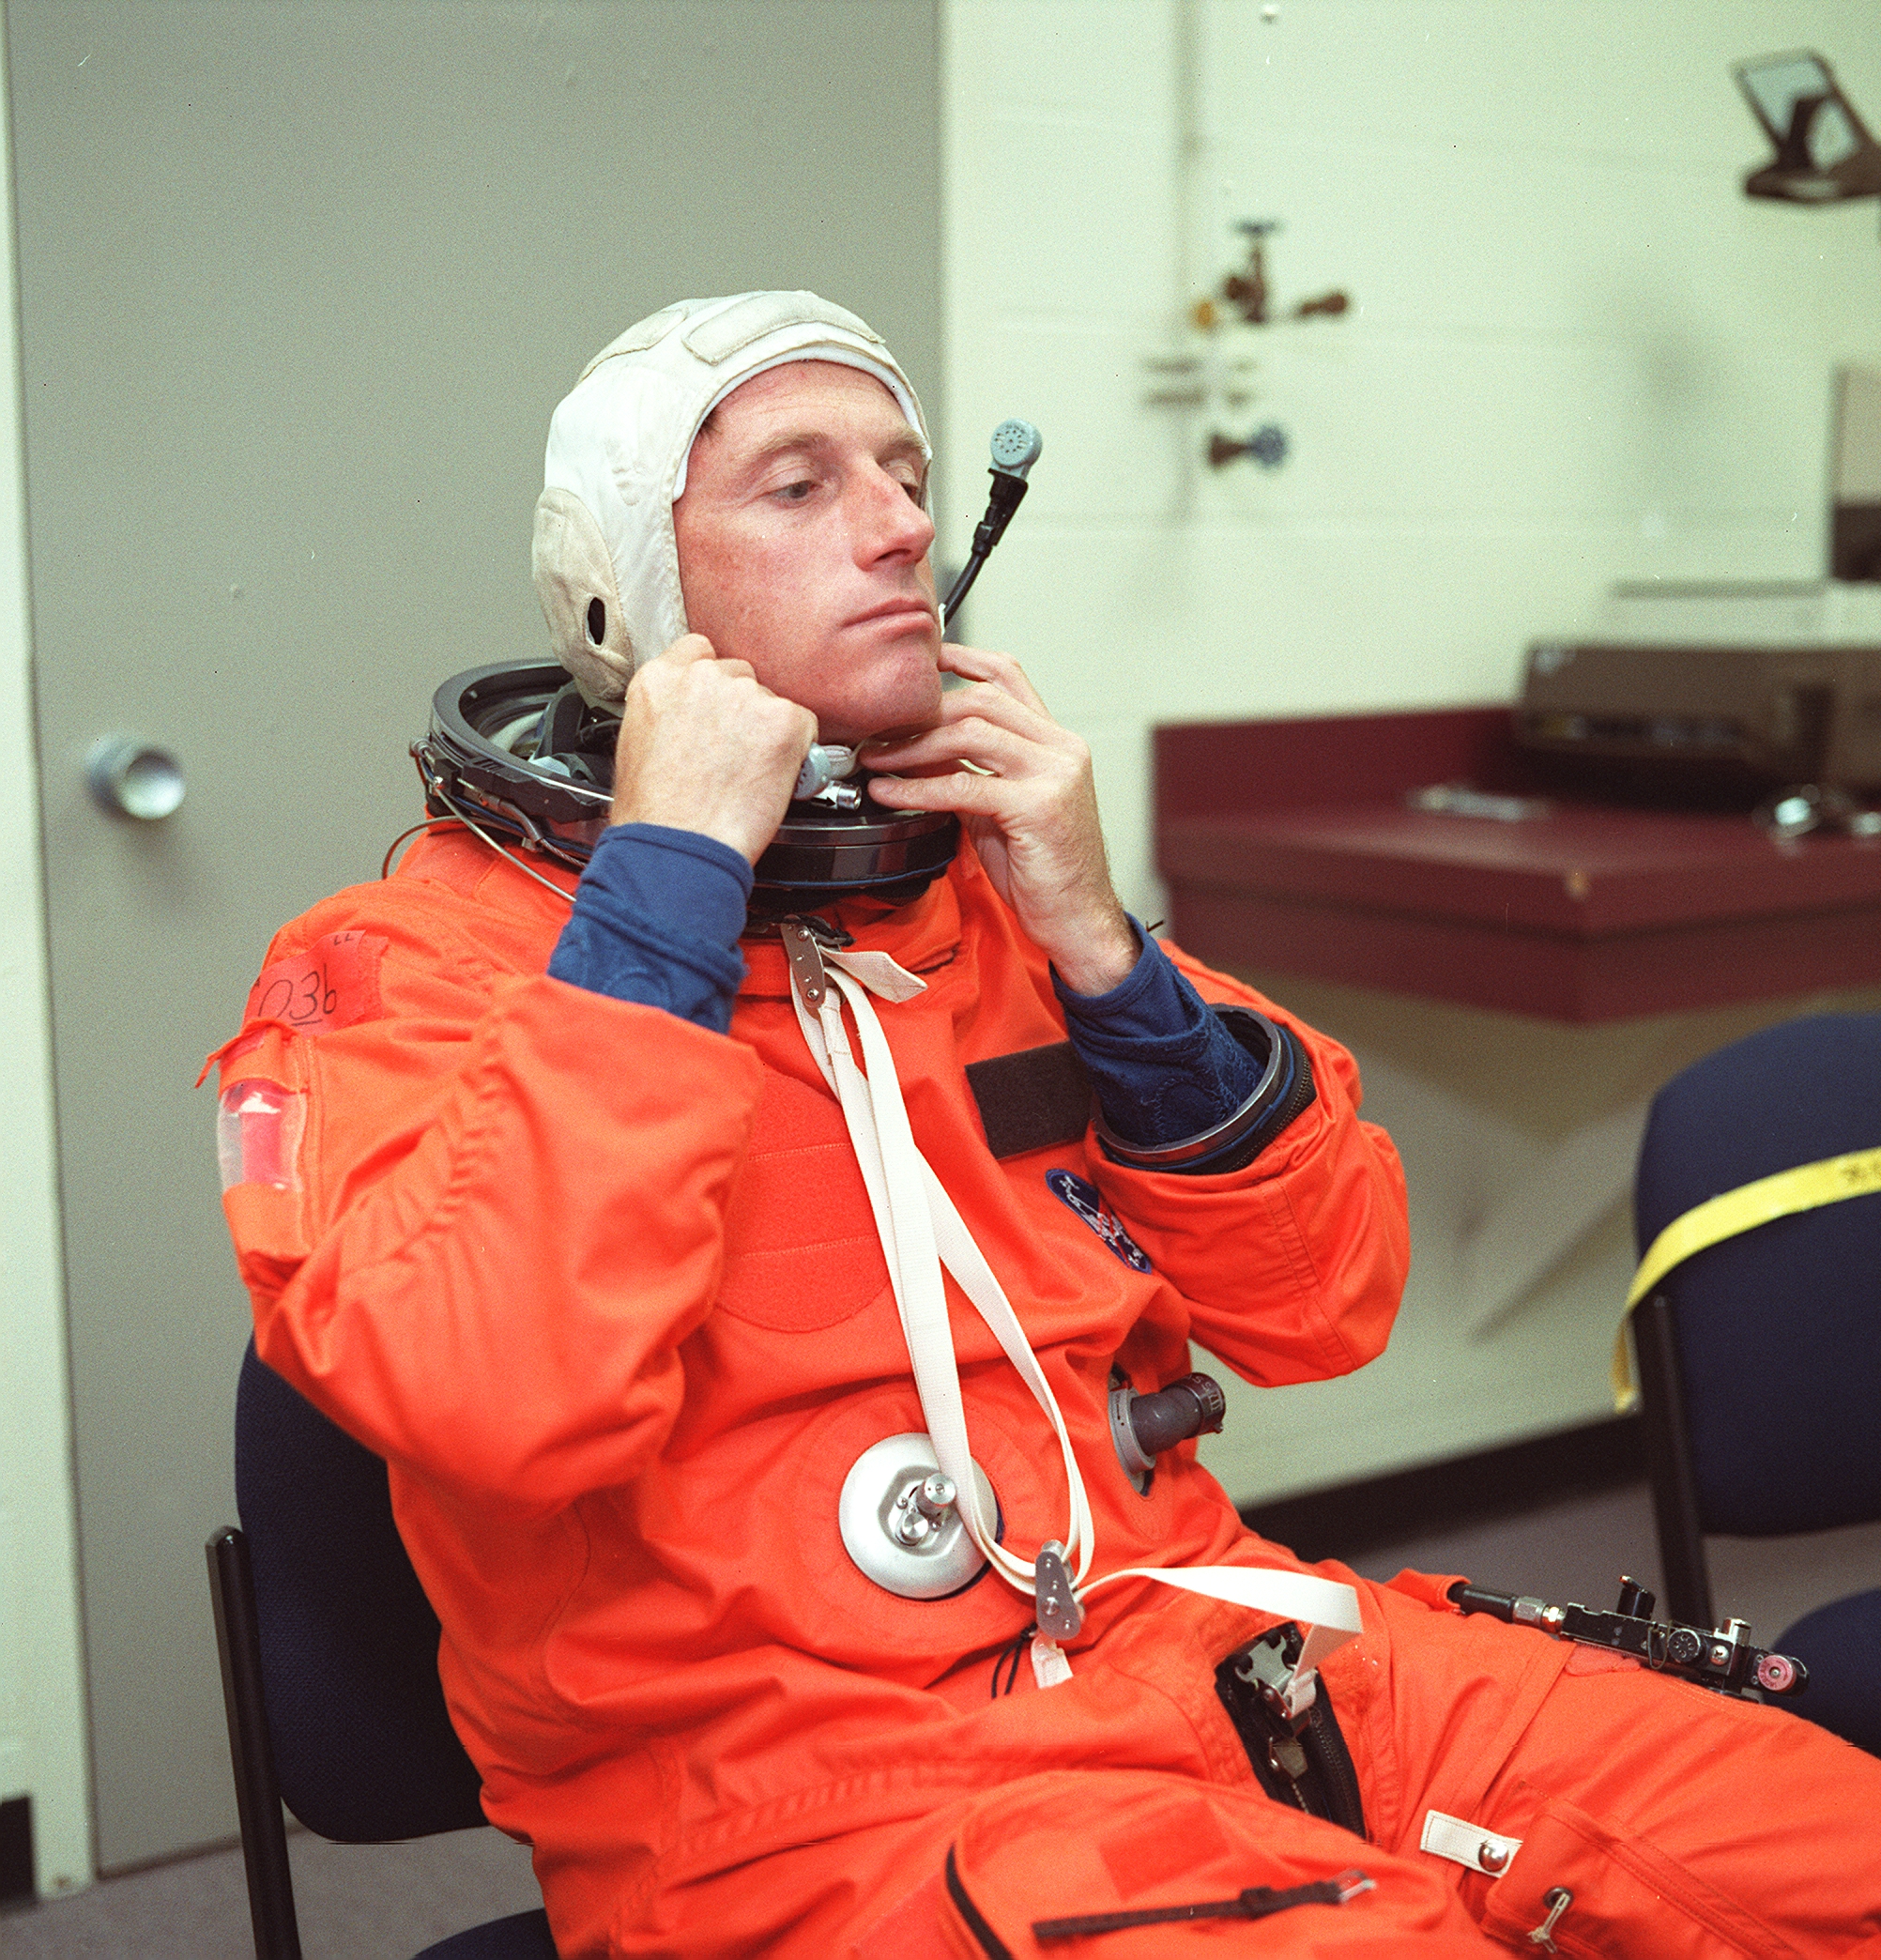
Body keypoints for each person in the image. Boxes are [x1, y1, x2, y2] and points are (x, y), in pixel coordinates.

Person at [211, 293, 1881, 1958]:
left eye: (906, 471)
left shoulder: (989, 907)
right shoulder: (402, 971)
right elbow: (501, 1396)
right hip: (823, 1809)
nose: (902, 524)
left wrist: (1103, 946)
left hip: (1238, 1656)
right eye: (800, 486)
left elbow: (1328, 1303)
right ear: (631, 584)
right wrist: (667, 884)